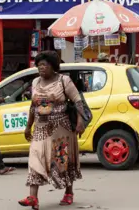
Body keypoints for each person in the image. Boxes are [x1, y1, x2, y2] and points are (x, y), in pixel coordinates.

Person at [19, 51, 86, 209]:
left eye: (45, 65)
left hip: (61, 129)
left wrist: (80, 121)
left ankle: (69, 192)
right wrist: (28, 126)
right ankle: (33, 197)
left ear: (53, 66)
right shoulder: (35, 82)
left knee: (62, 162)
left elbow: (78, 101)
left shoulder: (64, 81)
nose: (41, 68)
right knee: (35, 159)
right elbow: (33, 106)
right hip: (40, 129)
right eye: (39, 65)